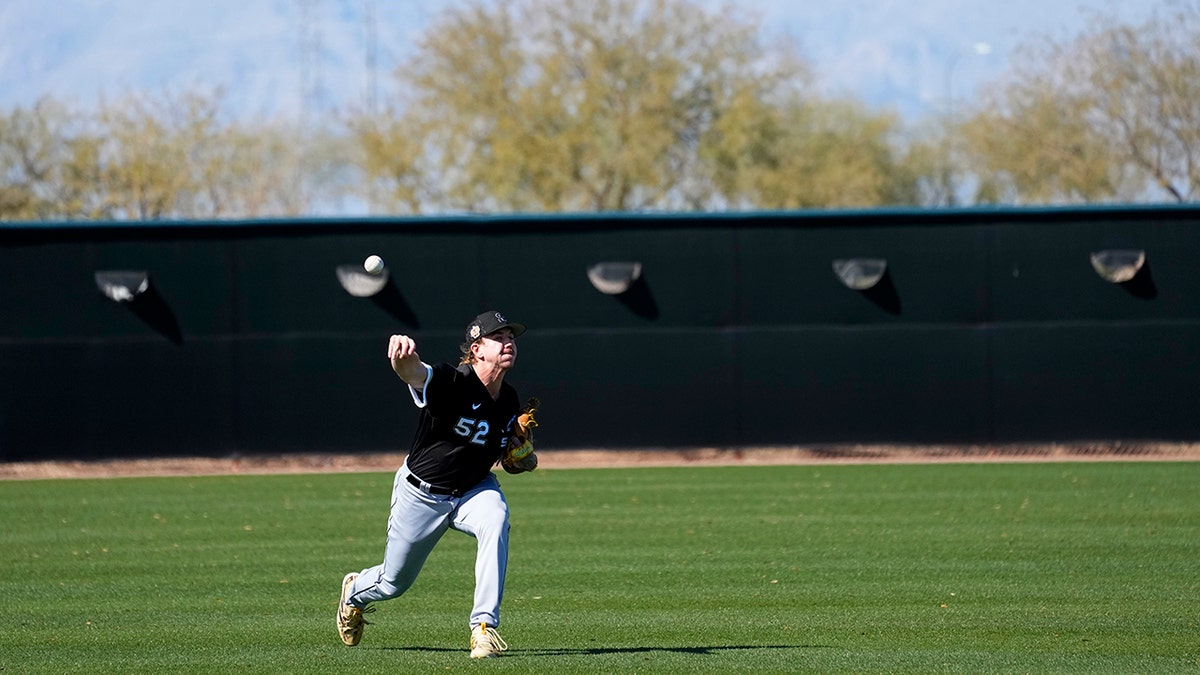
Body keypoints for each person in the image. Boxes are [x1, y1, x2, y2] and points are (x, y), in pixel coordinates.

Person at [336, 310, 538, 659]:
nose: (509, 343)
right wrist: (402, 358)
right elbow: (414, 373)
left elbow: (508, 455)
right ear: (476, 349)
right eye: (499, 337)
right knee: (393, 582)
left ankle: (484, 629)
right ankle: (355, 591)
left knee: (496, 518)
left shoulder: (509, 399)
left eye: (511, 337)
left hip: (474, 489)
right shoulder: (451, 381)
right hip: (422, 493)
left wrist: (523, 458)